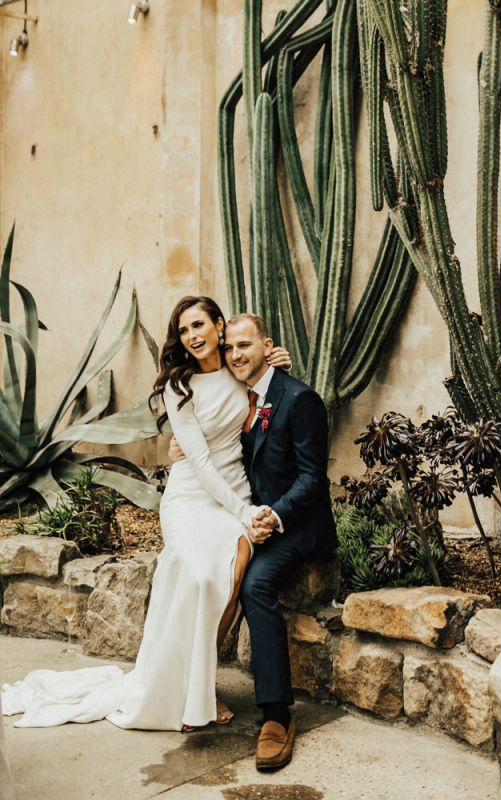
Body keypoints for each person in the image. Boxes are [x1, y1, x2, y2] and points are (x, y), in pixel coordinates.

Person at [1, 296, 292, 732]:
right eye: (183, 330)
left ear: (219, 326)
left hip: (235, 492)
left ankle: (201, 681)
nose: (192, 336)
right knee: (196, 575)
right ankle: (189, 691)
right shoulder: (179, 387)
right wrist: (245, 512)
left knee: (230, 580)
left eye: (199, 325)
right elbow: (199, 460)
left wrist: (277, 362)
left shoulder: (237, 368)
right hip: (193, 494)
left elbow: (267, 385)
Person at [218, 313, 337, 769]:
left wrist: (276, 515)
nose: (235, 355)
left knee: (255, 585)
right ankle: (191, 687)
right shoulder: (236, 396)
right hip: (250, 521)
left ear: (267, 346)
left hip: (297, 525)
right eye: (229, 347)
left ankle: (276, 714)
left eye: (244, 345)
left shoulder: (299, 399)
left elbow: (312, 478)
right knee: (207, 573)